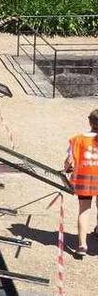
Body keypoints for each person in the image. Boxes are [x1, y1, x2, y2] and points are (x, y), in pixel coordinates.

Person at [64, 109, 98, 258]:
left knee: (84, 211)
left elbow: (68, 163)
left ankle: (82, 245)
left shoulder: (77, 139)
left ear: (89, 121)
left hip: (84, 179)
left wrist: (68, 167)